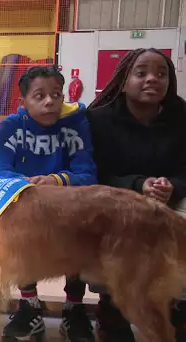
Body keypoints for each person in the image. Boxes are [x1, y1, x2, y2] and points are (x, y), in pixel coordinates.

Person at [87, 48, 186, 342]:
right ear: (124, 79)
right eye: (141, 73)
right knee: (110, 234)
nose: (152, 79)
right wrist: (137, 184)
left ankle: (175, 306)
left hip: (170, 198)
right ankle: (112, 311)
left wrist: (173, 187)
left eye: (161, 74)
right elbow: (95, 173)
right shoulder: (99, 120)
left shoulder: (181, 115)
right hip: (117, 196)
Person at [0, 66, 97, 342]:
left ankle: (74, 309)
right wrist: (27, 184)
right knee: (19, 228)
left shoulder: (77, 123)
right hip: (29, 207)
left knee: (81, 232)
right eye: (39, 96)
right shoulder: (11, 126)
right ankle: (29, 306)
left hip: (68, 207)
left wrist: (57, 180)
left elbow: (88, 175)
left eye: (56, 95)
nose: (49, 101)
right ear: (23, 102)